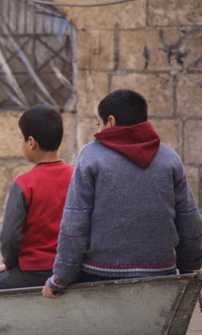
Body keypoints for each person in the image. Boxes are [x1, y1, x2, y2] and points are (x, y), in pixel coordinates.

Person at [42, 89, 202, 299]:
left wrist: (60, 279)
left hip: (100, 275)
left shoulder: (91, 156)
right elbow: (189, 220)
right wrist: (190, 269)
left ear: (111, 121)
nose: (97, 131)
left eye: (98, 124)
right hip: (161, 274)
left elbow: (74, 224)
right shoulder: (169, 158)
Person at [0, 105, 74, 291]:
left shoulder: (23, 184)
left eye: (21, 138)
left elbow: (9, 237)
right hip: (69, 268)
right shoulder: (76, 177)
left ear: (31, 142)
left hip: (33, 271)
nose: (21, 143)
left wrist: (9, 264)